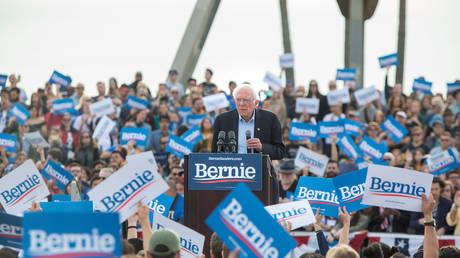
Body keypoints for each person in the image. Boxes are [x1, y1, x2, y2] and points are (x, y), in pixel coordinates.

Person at [211, 84, 286, 160]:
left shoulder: (271, 119)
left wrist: (262, 147)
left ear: (256, 103)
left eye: (246, 100)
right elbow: (214, 153)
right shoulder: (222, 120)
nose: (241, 104)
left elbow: (280, 152)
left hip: (260, 169)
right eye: (238, 100)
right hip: (232, 169)